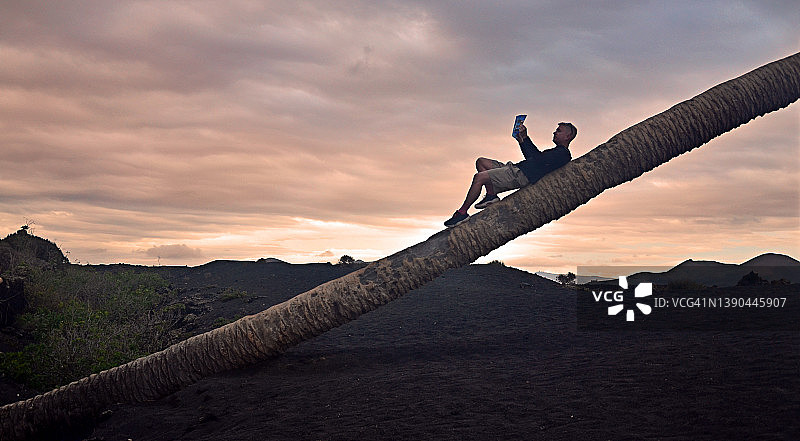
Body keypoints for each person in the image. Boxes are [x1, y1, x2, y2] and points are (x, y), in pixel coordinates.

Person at [444, 121, 577, 228]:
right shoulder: (557, 152)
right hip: (515, 168)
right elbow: (534, 159)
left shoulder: (563, 154)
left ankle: (462, 213)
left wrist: (525, 138)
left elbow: (535, 159)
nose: (555, 132)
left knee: (479, 178)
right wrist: (522, 140)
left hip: (520, 175)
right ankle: (491, 195)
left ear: (568, 136)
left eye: (559, 131)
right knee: (481, 162)